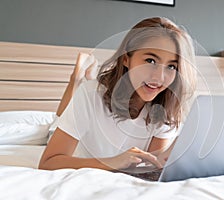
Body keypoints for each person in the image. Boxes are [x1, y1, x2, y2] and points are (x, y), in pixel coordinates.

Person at [39, 17, 198, 172]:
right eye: (150, 61)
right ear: (126, 59)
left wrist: (166, 159)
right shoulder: (90, 94)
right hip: (83, 105)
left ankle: (86, 76)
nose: (159, 77)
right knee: (58, 120)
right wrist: (112, 162)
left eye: (171, 67)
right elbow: (48, 161)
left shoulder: (166, 106)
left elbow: (150, 167)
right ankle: (76, 79)